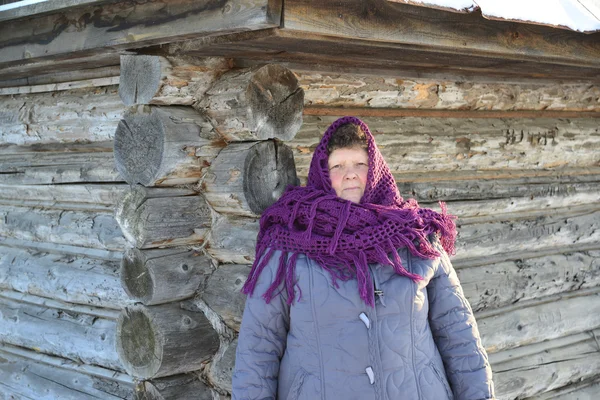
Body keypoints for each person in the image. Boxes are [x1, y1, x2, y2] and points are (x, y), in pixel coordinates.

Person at [232, 116, 494, 400]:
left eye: (360, 164)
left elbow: (458, 333)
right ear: (322, 173)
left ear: (376, 171)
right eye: (338, 166)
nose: (350, 174)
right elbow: (258, 349)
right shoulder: (288, 244)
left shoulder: (416, 237)